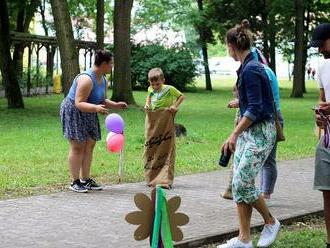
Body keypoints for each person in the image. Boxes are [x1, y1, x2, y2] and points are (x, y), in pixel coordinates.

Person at [217, 23, 280, 248]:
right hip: (250, 132)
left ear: (232, 46)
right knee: (238, 182)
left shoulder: (251, 69)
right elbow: (256, 100)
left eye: (227, 47)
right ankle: (244, 239)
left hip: (260, 133)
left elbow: (256, 109)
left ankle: (271, 222)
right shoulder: (247, 67)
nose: (227, 50)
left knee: (243, 181)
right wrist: (240, 101)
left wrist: (233, 134)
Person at [60, 50, 127, 193]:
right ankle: (75, 181)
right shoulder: (86, 80)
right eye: (111, 64)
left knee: (90, 144)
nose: (112, 67)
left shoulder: (103, 79)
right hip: (74, 111)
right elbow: (78, 103)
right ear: (104, 64)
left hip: (90, 110)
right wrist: (96, 108)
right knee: (78, 146)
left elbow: (101, 99)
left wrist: (115, 105)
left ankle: (86, 179)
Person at [143, 68, 185, 188]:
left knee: (166, 146)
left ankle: (164, 179)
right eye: (153, 84)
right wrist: (147, 105)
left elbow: (181, 96)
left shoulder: (169, 89)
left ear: (163, 80)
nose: (155, 86)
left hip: (165, 117)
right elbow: (149, 97)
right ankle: (151, 176)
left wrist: (174, 106)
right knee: (152, 145)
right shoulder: (150, 89)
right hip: (154, 117)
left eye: (158, 84)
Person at [309, 23, 330, 248]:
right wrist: (320, 116)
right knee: (327, 192)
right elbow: (323, 101)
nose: (320, 50)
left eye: (322, 44)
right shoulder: (323, 68)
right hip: (327, 139)